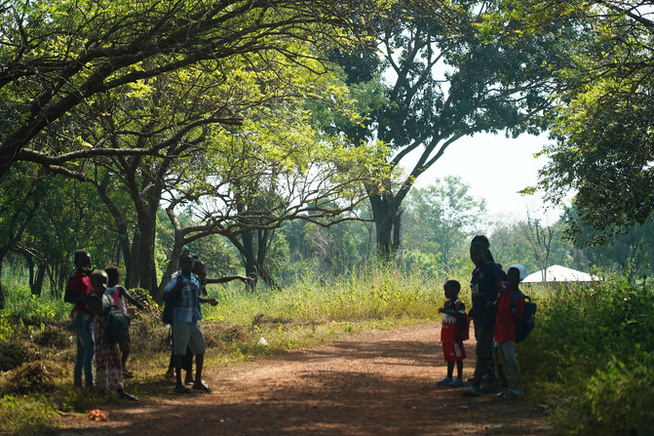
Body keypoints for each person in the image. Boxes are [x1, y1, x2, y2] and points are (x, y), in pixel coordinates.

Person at [162, 253, 212, 394]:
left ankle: (197, 382)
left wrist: (208, 301)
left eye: (190, 263)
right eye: (184, 262)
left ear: (192, 265)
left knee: (200, 349)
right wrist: (176, 288)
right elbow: (164, 296)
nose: (187, 265)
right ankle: (178, 384)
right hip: (181, 318)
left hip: (194, 318)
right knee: (179, 351)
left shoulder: (196, 279)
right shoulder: (176, 279)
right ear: (181, 264)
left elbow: (197, 298)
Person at [86, 270, 138, 401]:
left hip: (111, 329)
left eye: (105, 282)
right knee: (102, 360)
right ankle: (102, 390)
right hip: (101, 330)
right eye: (99, 282)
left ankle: (120, 389)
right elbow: (99, 312)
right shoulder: (92, 298)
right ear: (93, 283)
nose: (103, 285)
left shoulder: (107, 297)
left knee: (115, 358)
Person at [464, 240, 506, 397]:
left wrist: (495, 303)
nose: (474, 257)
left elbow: (501, 288)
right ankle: (492, 380)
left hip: (490, 316)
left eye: (477, 254)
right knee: (486, 351)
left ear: (484, 254)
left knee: (482, 349)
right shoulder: (476, 272)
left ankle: (476, 385)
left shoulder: (491, 269)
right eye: (472, 254)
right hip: (479, 317)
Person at [493, 264, 528, 398]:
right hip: (500, 332)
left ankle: (518, 389)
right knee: (504, 362)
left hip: (509, 334)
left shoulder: (519, 297)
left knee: (511, 361)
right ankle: (511, 388)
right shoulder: (503, 290)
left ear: (520, 279)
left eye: (515, 276)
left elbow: (518, 320)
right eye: (510, 275)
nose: (512, 278)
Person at [104, 264, 144, 378]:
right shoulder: (119, 288)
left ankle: (117, 368)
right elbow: (130, 299)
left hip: (109, 322)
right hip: (121, 322)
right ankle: (122, 367)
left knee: (112, 346)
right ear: (116, 278)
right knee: (125, 347)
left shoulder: (104, 289)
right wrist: (139, 305)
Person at [64, 250, 95, 388]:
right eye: (84, 261)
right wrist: (85, 300)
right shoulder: (75, 278)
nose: (87, 264)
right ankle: (89, 382)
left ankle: (78, 383)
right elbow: (68, 297)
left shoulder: (88, 277)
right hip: (81, 315)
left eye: (88, 261)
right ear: (76, 262)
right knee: (89, 348)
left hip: (89, 316)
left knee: (83, 350)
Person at [435, 280, 466, 387]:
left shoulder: (459, 304)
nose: (445, 293)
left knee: (458, 357)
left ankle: (459, 378)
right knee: (449, 357)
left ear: (455, 291)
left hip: (455, 337)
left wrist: (447, 312)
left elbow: (461, 316)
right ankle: (449, 377)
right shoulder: (446, 303)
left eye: (447, 290)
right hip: (447, 336)